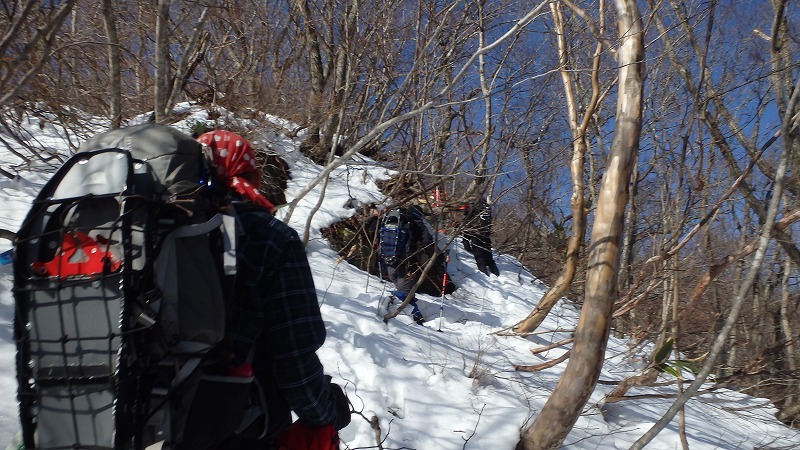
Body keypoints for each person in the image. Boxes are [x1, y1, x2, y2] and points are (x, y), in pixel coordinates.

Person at [197, 130, 351, 449]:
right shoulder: (270, 237)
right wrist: (327, 412)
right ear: (251, 175)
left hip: (138, 408)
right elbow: (293, 357)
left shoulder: (147, 228)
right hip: (235, 422)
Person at [458, 197, 500, 276]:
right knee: (489, 257)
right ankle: (496, 273)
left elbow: (467, 226)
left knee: (479, 256)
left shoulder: (472, 213)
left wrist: (465, 240)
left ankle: (484, 275)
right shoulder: (486, 210)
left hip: (475, 235)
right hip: (486, 235)